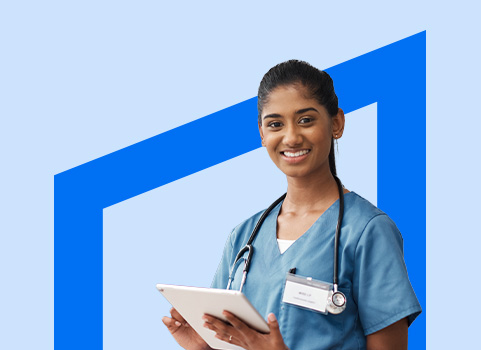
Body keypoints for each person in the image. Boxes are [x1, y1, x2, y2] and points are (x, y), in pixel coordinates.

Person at [162, 60, 422, 350]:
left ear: (336, 123)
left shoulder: (367, 231)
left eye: (306, 120)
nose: (291, 137)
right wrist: (204, 347)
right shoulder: (243, 237)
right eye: (275, 124)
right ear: (262, 134)